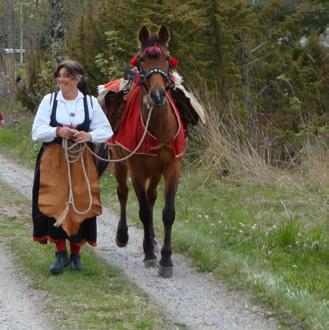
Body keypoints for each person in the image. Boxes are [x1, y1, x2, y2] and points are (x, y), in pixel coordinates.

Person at [32, 59, 113, 274]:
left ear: (77, 79)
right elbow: (36, 131)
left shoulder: (89, 103)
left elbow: (106, 130)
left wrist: (89, 135)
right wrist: (57, 131)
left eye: (66, 76)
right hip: (53, 160)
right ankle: (60, 252)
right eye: (59, 76)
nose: (61, 80)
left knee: (81, 200)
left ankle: (76, 253)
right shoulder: (50, 101)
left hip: (81, 160)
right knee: (55, 201)